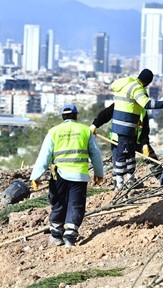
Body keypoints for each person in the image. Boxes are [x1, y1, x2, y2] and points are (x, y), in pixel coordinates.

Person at [30, 104, 104, 247]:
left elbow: (44, 156)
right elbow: (95, 154)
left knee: (58, 203)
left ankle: (56, 235)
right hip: (79, 175)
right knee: (75, 204)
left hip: (59, 175)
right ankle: (70, 237)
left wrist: (36, 176)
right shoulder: (85, 131)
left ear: (62, 116)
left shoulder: (53, 132)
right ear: (76, 115)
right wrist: (99, 173)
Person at [109, 69, 163, 190]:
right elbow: (147, 104)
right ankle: (119, 184)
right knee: (122, 156)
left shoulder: (126, 86)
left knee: (129, 155)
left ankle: (130, 181)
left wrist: (144, 143)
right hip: (126, 128)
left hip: (122, 128)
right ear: (147, 83)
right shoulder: (137, 88)